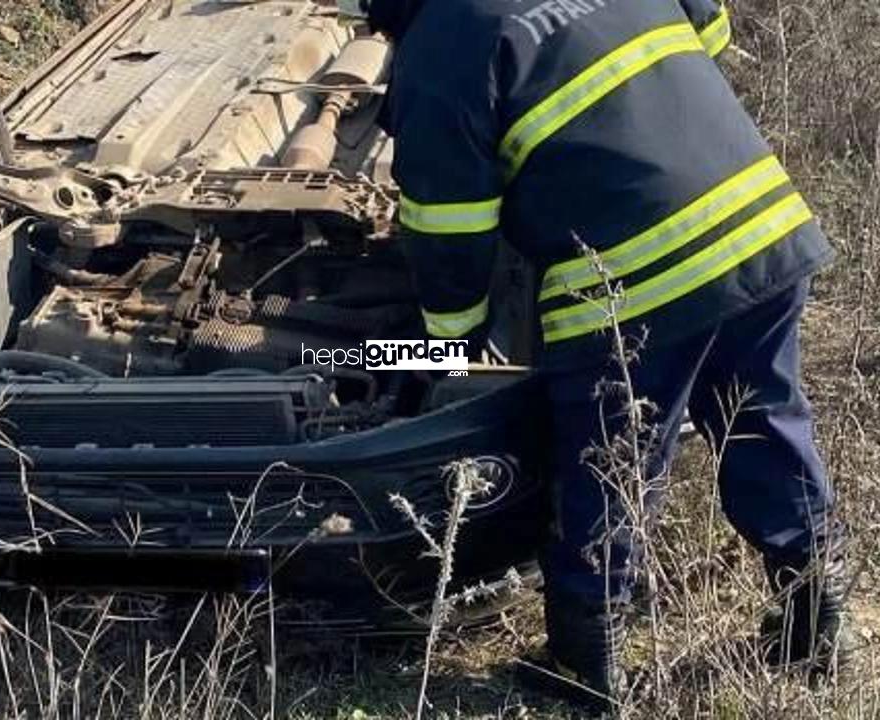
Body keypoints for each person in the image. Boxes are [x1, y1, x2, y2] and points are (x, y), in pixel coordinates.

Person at [340, 0, 853, 713]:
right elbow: (711, 27)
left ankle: (587, 666)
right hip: (760, 224)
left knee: (607, 466)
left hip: (635, 283)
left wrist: (449, 349)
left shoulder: (444, 42)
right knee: (765, 422)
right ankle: (816, 626)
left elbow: (449, 223)